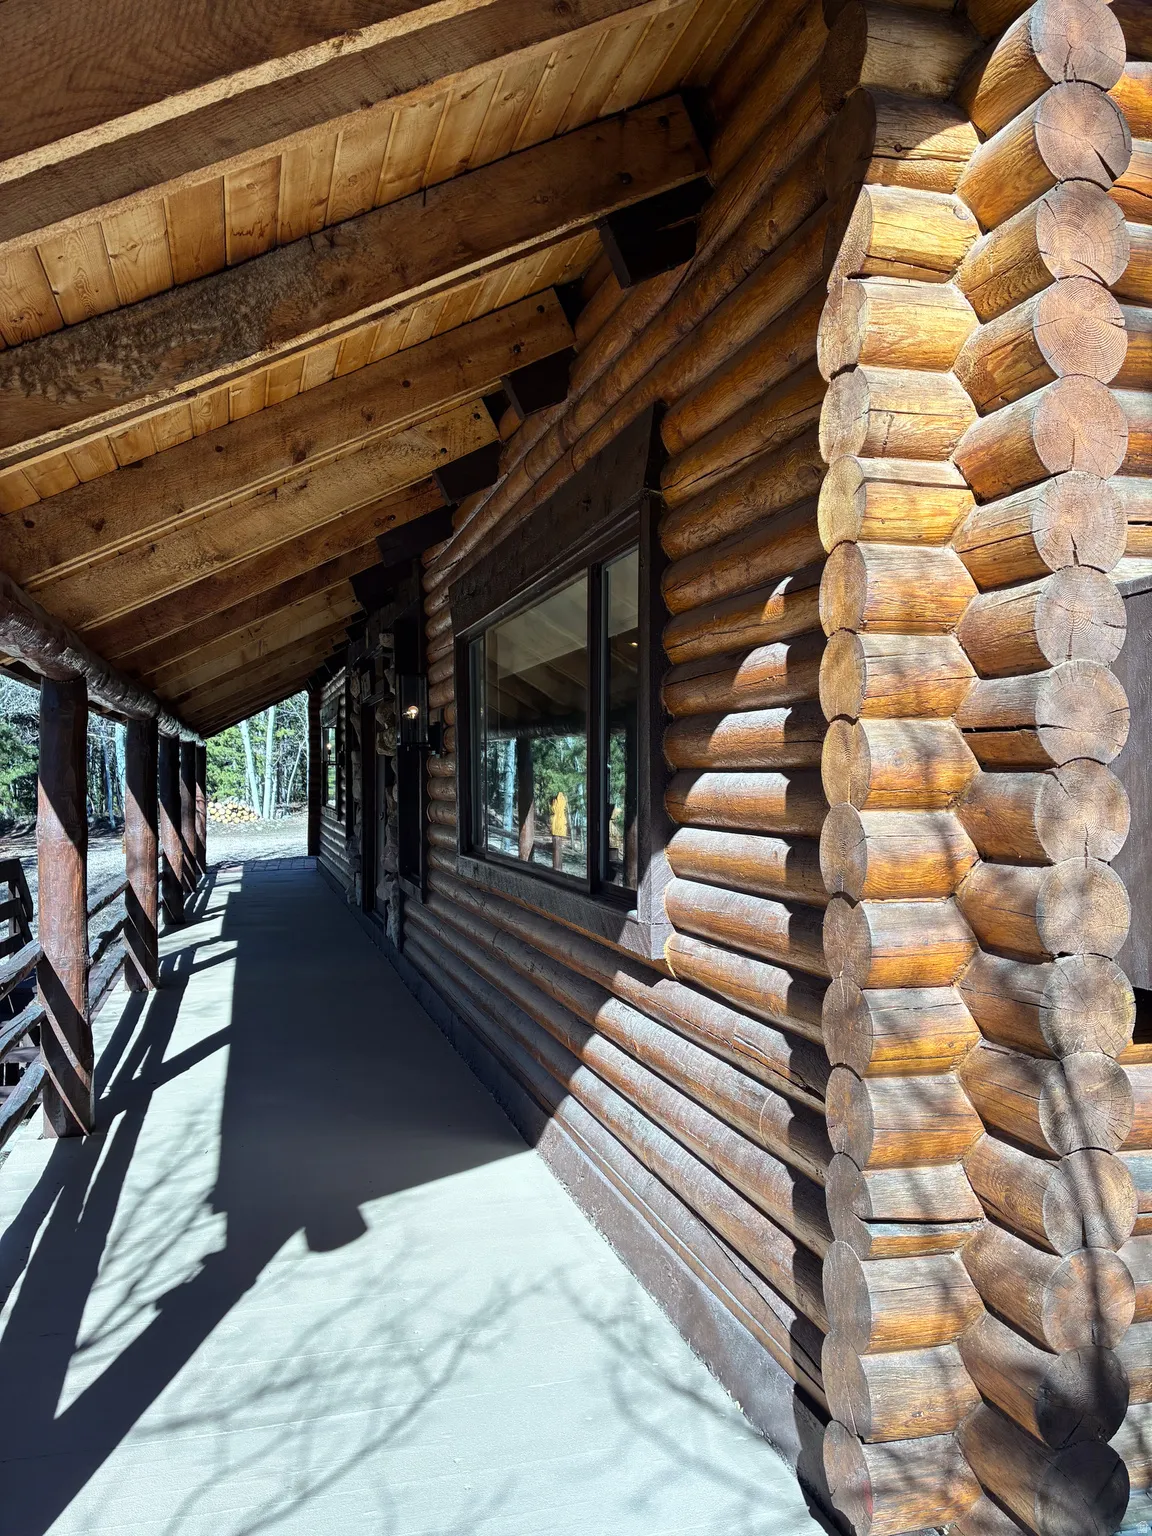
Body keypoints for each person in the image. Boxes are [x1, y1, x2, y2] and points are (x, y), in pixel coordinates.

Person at [549, 790, 568, 871]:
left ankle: (557, 868)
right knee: (557, 848)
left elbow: (554, 810)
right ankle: (557, 868)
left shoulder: (559, 803)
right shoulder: (557, 808)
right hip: (557, 827)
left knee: (557, 847)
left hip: (558, 827)